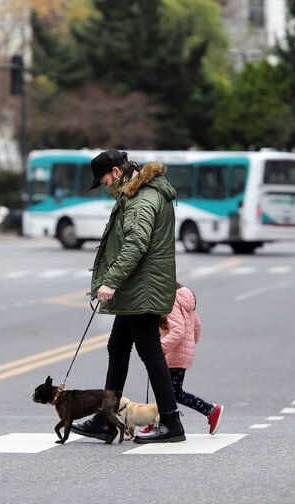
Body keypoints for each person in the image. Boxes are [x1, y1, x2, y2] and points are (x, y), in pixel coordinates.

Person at [71, 149, 185, 444]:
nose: (105, 186)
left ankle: (172, 423)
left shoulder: (142, 200)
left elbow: (136, 244)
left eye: (105, 179)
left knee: (149, 351)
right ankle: (106, 420)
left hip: (141, 287)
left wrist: (110, 281)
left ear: (117, 173)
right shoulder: (135, 195)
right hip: (137, 287)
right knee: (118, 347)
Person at [141, 283, 223, 436]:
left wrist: (158, 349)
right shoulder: (185, 301)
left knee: (172, 392)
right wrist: (190, 345)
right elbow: (196, 326)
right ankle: (156, 423)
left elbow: (178, 331)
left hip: (173, 353)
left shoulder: (170, 302)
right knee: (166, 390)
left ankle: (210, 410)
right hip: (180, 352)